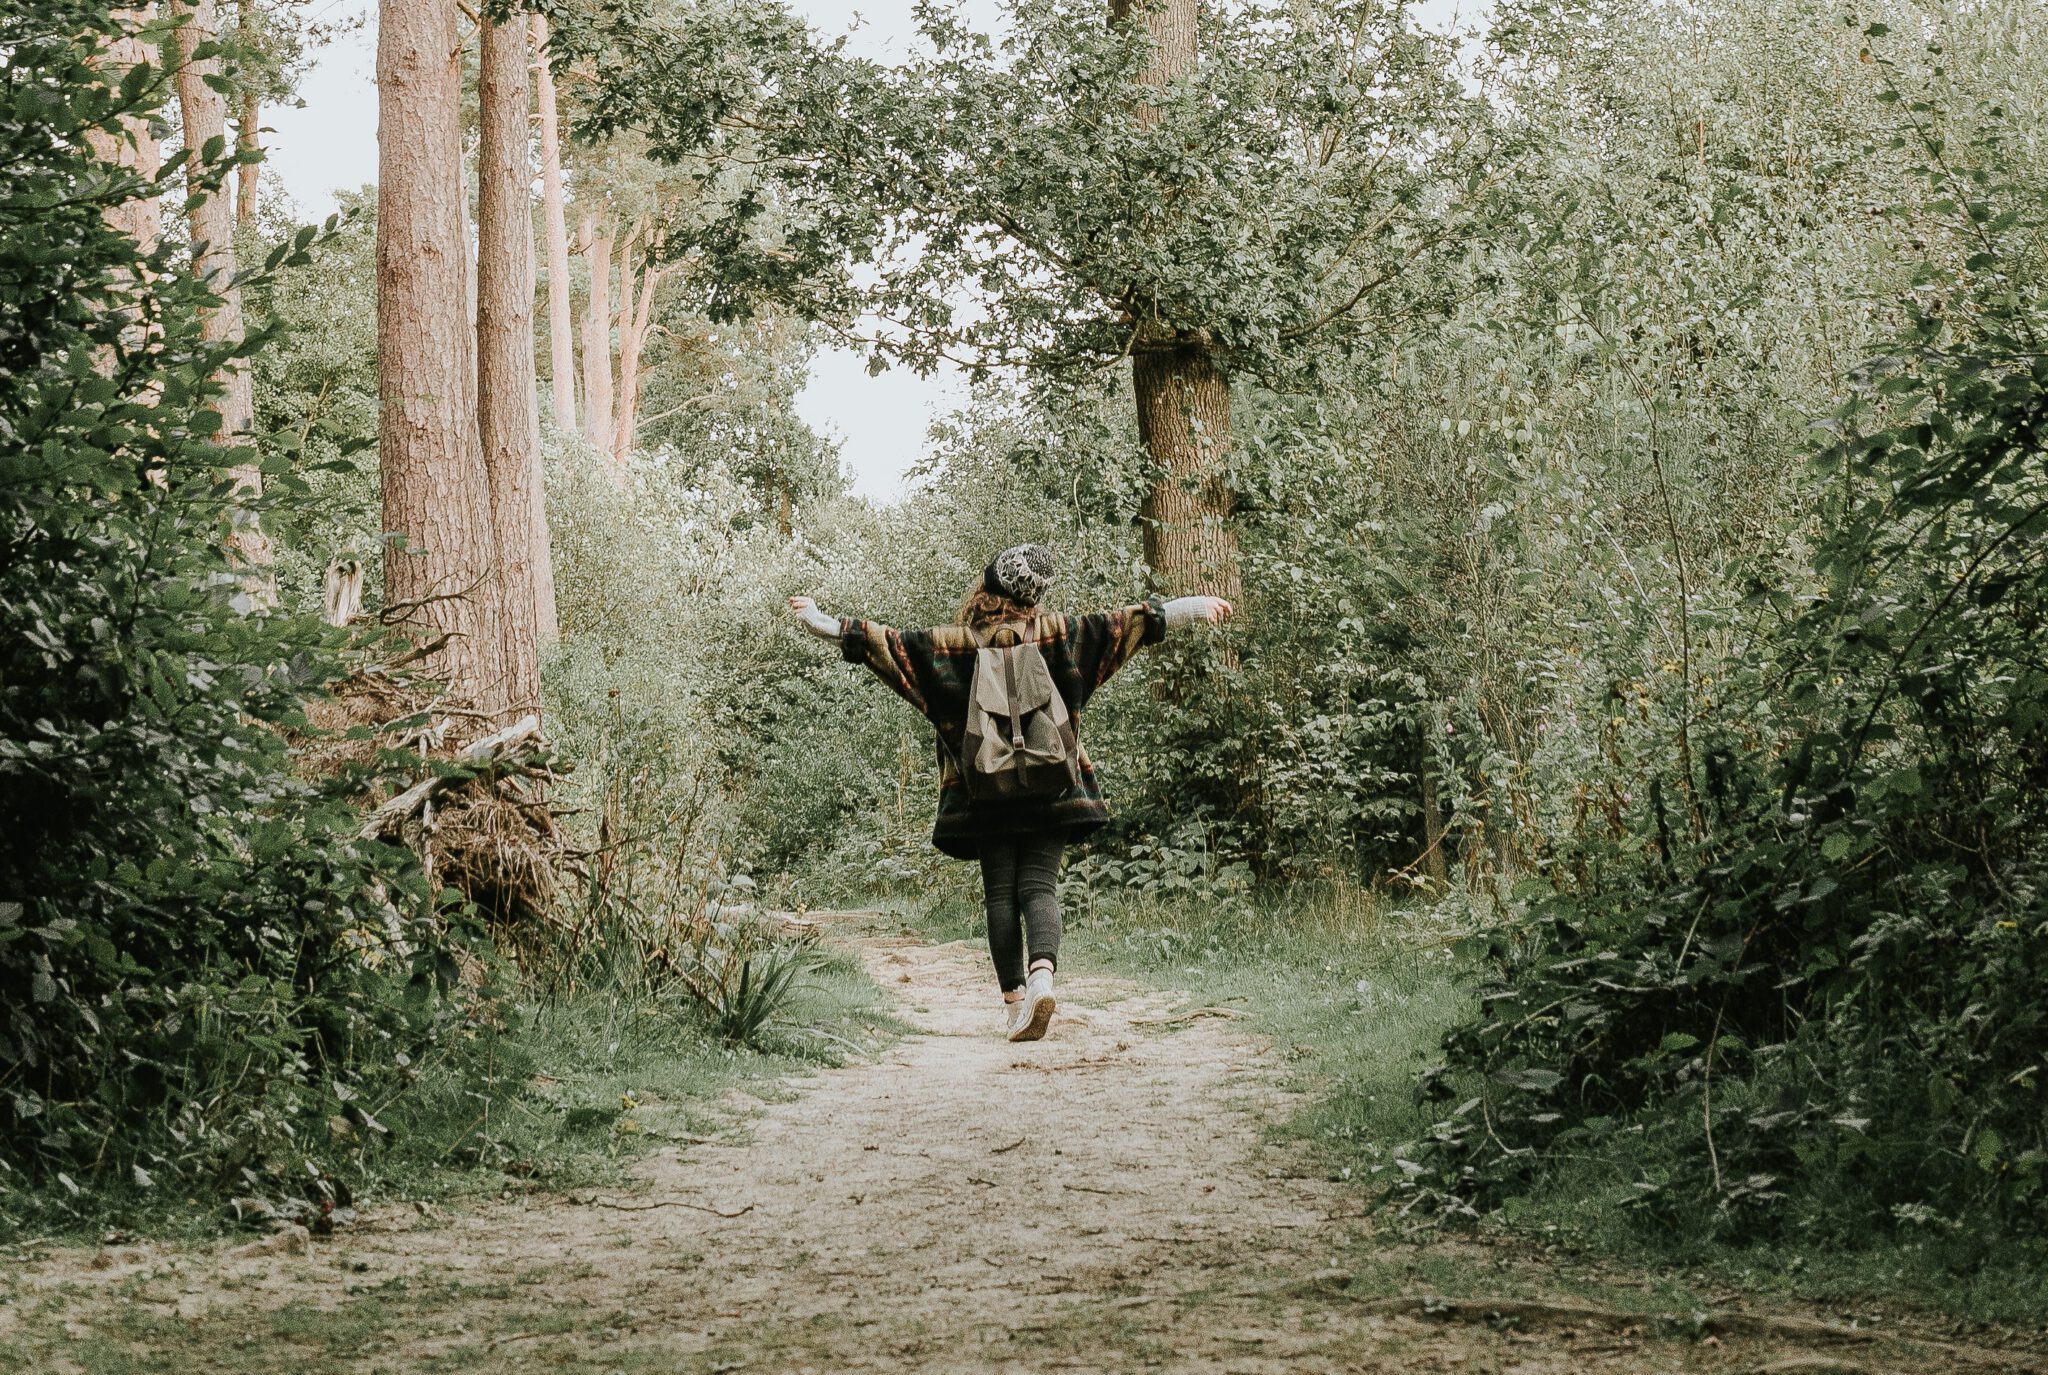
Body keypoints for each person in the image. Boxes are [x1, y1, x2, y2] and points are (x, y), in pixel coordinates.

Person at [788, 543, 1232, 1041]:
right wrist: (1194, 606)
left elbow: (886, 645)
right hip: (1053, 788)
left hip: (983, 791)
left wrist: (822, 621)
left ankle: (1015, 1005)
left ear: (989, 587)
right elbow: (1126, 624)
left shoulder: (951, 646)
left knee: (1001, 893)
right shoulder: (1061, 635)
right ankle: (1043, 976)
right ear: (1034, 595)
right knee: (1039, 888)